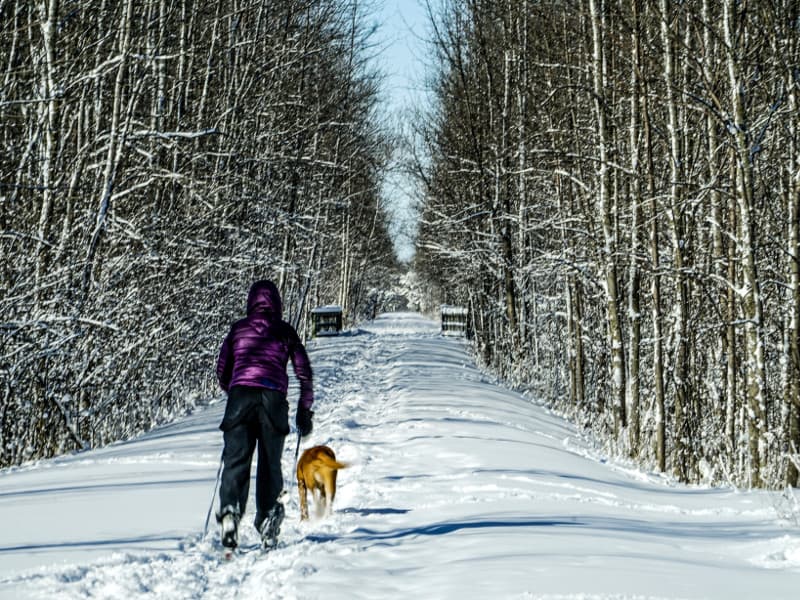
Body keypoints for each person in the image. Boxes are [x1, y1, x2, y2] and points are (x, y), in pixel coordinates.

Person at [215, 279, 314, 550]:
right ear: (278, 304)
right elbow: (304, 372)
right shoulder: (285, 331)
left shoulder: (238, 330)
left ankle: (230, 514)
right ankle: (269, 518)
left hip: (240, 398)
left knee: (236, 460)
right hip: (273, 400)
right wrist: (305, 409)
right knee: (270, 464)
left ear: (250, 302)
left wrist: (233, 390)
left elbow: (222, 367)